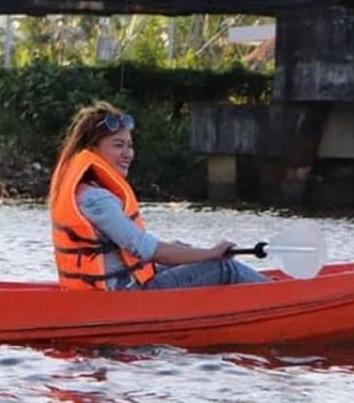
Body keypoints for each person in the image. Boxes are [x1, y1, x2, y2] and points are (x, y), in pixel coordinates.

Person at [47, 101, 268, 291]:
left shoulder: (86, 191)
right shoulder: (96, 199)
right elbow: (147, 250)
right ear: (92, 151)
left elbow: (135, 250)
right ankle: (279, 295)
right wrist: (210, 253)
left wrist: (183, 250)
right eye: (118, 145)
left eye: (130, 146)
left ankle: (270, 290)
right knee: (223, 267)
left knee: (184, 251)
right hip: (123, 298)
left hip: (119, 288)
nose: (128, 154)